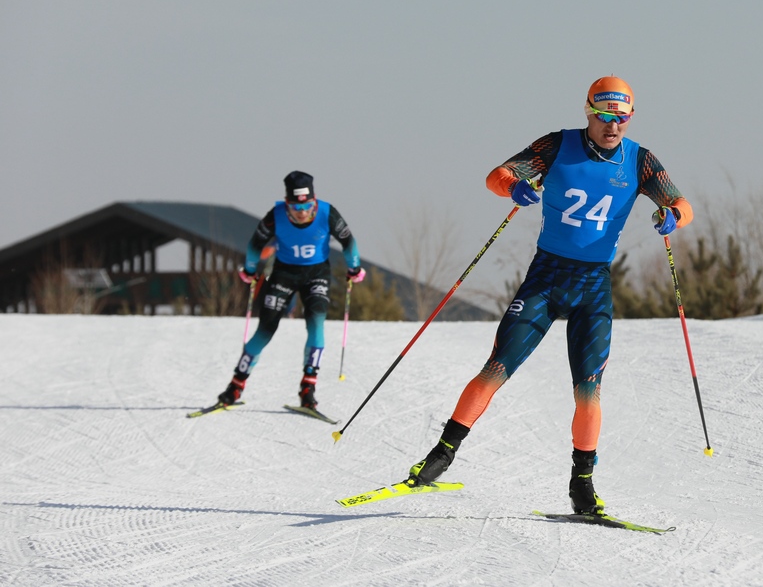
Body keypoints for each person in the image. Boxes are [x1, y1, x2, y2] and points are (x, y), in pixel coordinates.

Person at [404, 76, 694, 514]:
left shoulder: (640, 161)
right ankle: (440, 455)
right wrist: (514, 187)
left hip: (593, 286)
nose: (613, 126)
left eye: (622, 118)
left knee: (589, 389)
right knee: (496, 367)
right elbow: (497, 176)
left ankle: (582, 485)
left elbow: (682, 205)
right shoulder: (557, 145)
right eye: (605, 116)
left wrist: (672, 216)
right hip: (547, 277)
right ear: (588, 111)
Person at [217, 171, 366, 410]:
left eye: (307, 206)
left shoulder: (327, 213)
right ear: (287, 204)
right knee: (265, 329)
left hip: (316, 274)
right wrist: (250, 270)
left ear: (314, 200)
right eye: (296, 207)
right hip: (284, 274)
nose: (302, 212)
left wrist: (354, 268)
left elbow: (348, 242)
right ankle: (236, 385)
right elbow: (255, 245)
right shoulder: (275, 216)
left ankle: (308, 387)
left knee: (316, 323)